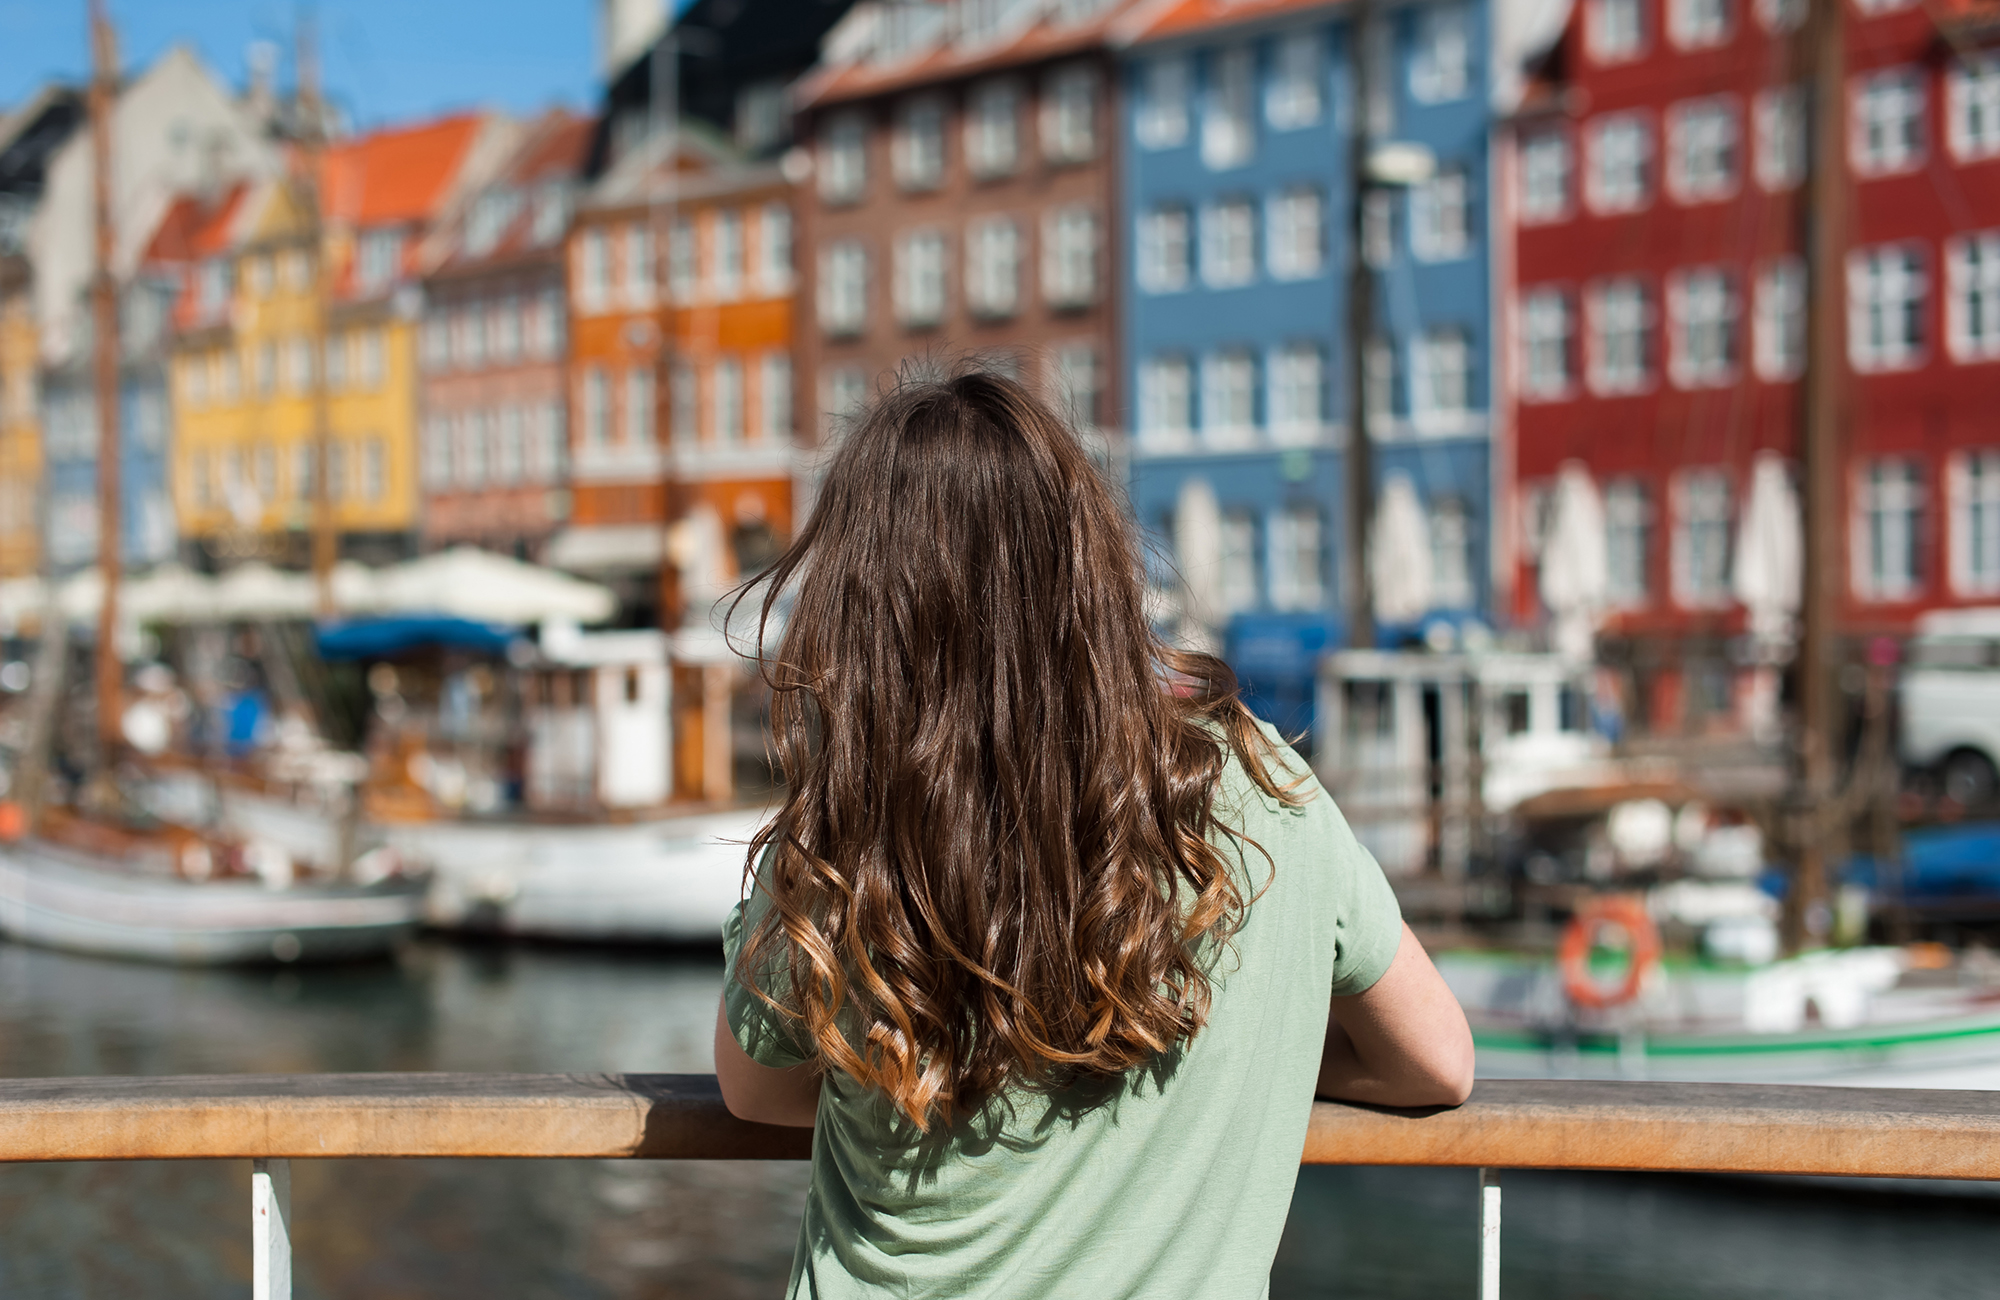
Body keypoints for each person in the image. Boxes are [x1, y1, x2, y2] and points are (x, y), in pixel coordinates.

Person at [714, 369, 1473, 1300]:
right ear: (1092, 565)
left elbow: (755, 1092)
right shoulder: (1258, 786)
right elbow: (1438, 1062)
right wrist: (1232, 1064)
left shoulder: (857, 831)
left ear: (864, 609)